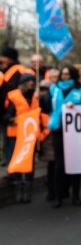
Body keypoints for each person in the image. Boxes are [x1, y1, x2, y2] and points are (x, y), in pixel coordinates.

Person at [45, 65, 81, 208]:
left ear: (72, 75)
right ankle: (58, 196)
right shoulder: (54, 89)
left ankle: (76, 196)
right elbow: (47, 107)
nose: (64, 77)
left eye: (67, 74)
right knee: (59, 164)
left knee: (74, 164)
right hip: (58, 129)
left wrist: (77, 107)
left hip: (75, 131)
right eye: (62, 74)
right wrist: (40, 99)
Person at [3, 73, 39, 203]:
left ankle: (27, 189)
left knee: (29, 162)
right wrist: (7, 119)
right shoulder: (13, 96)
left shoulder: (36, 96)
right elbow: (7, 113)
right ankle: (19, 188)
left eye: (33, 81)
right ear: (23, 83)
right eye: (28, 81)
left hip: (29, 135)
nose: (31, 83)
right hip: (15, 134)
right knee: (17, 160)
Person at [0, 47, 34, 180]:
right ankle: (12, 170)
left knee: (14, 146)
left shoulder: (19, 71)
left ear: (10, 58)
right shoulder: (6, 70)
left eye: (3, 56)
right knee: (8, 144)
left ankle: (15, 173)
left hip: (15, 113)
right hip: (6, 113)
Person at [37, 80, 56, 202]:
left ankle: (58, 190)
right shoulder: (37, 102)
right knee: (51, 164)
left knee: (55, 164)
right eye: (42, 90)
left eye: (46, 90)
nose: (44, 93)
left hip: (53, 133)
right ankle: (51, 190)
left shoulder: (51, 100)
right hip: (44, 137)